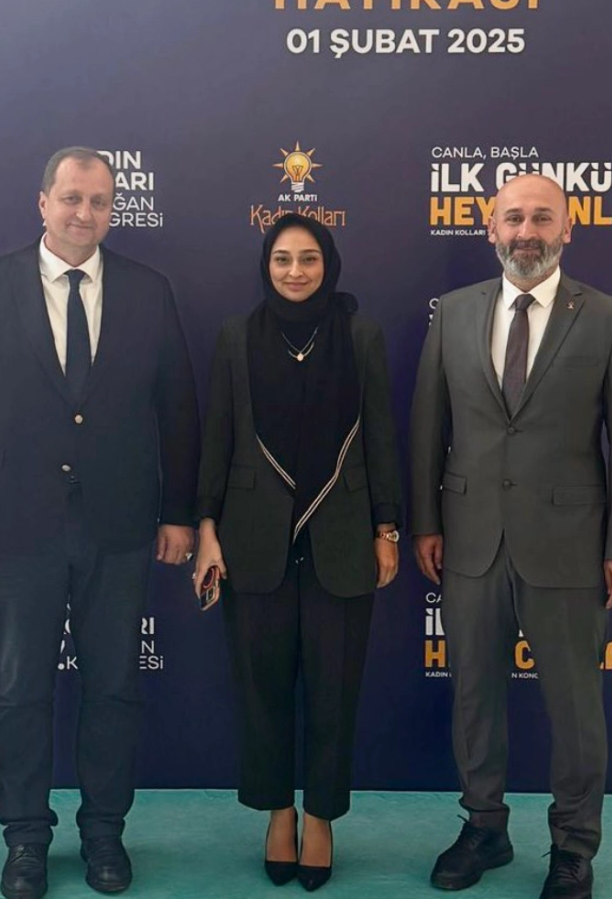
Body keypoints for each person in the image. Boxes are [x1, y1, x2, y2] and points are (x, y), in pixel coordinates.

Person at [0, 147, 199, 899]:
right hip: (15, 527)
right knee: (20, 692)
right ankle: (25, 838)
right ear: (42, 202)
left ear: (113, 210)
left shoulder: (148, 291)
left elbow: (178, 411)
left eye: (99, 201)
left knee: (113, 688)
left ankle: (105, 832)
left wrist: (178, 513)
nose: (85, 213)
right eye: (72, 198)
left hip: (120, 525)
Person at [409, 174, 612, 899]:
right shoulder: (453, 314)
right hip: (469, 541)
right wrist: (425, 522)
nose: (526, 232)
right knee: (473, 696)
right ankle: (483, 827)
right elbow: (427, 426)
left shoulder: (609, 319)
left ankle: (573, 846)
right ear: (490, 228)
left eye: (541, 218)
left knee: (575, 707)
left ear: (567, 228)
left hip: (571, 547)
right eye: (513, 218)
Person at [191, 213, 404, 892]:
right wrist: (205, 527)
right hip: (253, 541)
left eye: (308, 258)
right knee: (262, 692)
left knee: (334, 694)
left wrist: (386, 528)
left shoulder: (360, 335)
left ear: (327, 264)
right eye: (282, 258)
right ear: (266, 265)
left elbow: (381, 438)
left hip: (341, 539)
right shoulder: (236, 337)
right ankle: (277, 815)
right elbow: (218, 438)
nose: (295, 271)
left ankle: (320, 820)